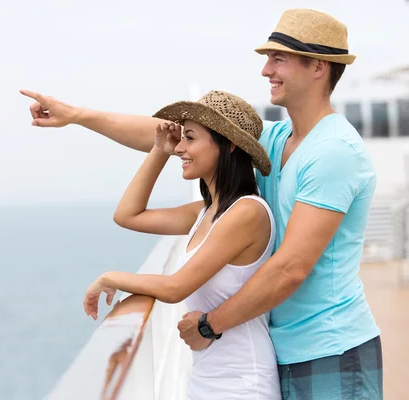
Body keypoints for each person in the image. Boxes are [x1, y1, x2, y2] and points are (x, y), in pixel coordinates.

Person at [20, 9, 383, 399]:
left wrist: (210, 325)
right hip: (282, 347)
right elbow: (170, 136)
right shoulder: (278, 140)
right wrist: (77, 115)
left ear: (317, 66)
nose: (265, 70)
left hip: (330, 348)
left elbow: (290, 269)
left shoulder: (333, 152)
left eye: (278, 58)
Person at [81, 90, 281, 399]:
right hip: (207, 376)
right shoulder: (207, 212)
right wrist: (160, 150)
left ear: (228, 145)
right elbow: (127, 215)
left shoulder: (247, 213)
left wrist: (112, 277)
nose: (180, 148)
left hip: (243, 381)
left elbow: (176, 288)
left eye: (190, 138)